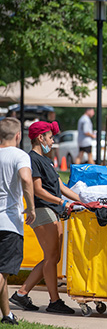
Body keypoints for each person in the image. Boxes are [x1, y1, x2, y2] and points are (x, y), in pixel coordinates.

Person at [11, 121, 79, 315]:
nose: (53, 140)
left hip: (52, 209)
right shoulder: (32, 159)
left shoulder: (47, 160)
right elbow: (38, 190)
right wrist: (62, 202)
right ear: (40, 138)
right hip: (42, 210)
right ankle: (54, 301)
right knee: (51, 257)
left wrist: (83, 200)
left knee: (52, 257)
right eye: (50, 137)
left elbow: (61, 186)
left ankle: (22, 294)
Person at [0, 118, 35, 325]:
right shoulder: (20, 155)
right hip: (9, 223)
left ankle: (7, 315)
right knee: (3, 271)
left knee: (1, 273)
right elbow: (26, 179)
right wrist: (30, 208)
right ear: (18, 135)